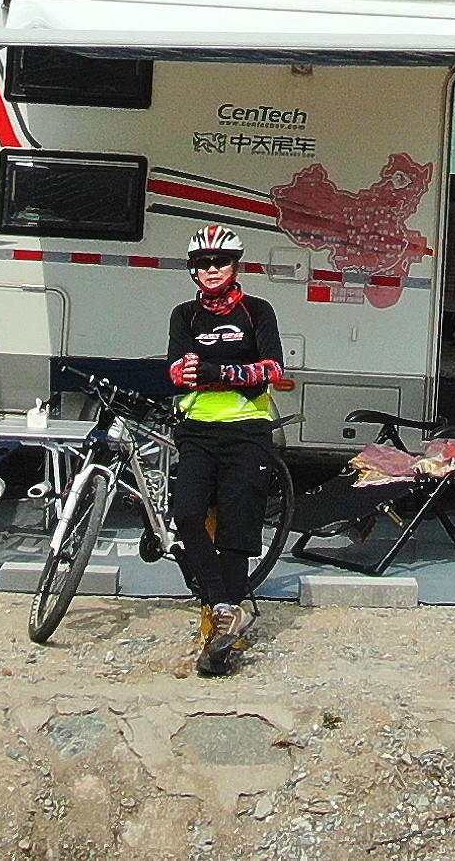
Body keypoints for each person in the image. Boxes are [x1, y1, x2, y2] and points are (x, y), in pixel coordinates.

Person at [163, 223, 290, 676]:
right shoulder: (185, 315)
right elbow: (178, 372)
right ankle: (223, 603)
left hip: (248, 432)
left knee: (237, 533)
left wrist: (218, 370)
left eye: (220, 261)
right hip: (196, 431)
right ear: (193, 271)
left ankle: (221, 640)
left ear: (236, 266)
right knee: (186, 516)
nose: (211, 269)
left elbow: (274, 368)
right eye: (203, 263)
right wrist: (223, 371)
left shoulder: (257, 311)